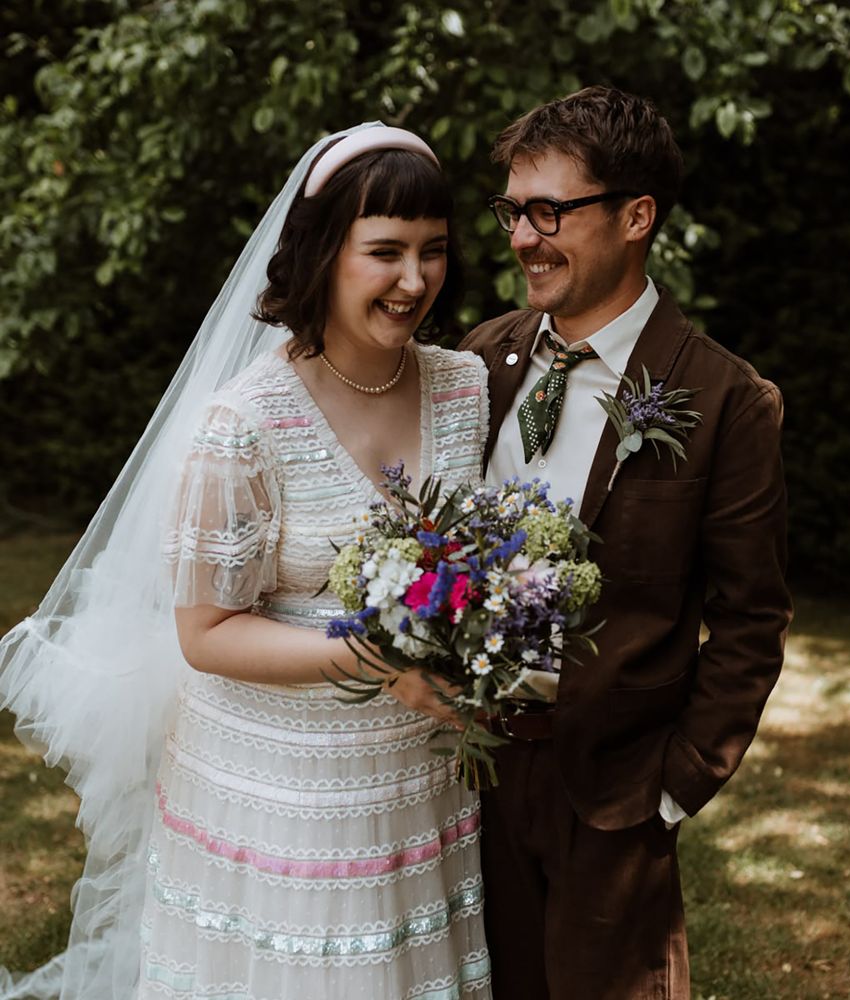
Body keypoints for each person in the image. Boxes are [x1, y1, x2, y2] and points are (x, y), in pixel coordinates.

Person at [0, 125, 492, 1000]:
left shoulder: (465, 388)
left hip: (417, 780)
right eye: (384, 252)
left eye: (433, 251)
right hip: (278, 793)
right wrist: (385, 661)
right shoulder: (245, 422)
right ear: (321, 255)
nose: (414, 281)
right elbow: (209, 633)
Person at [460, 86, 793, 999]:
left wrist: (675, 786)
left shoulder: (726, 399)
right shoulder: (482, 358)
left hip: (612, 795)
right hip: (468, 775)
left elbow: (751, 619)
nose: (523, 236)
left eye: (549, 210)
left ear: (636, 215)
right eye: (513, 211)